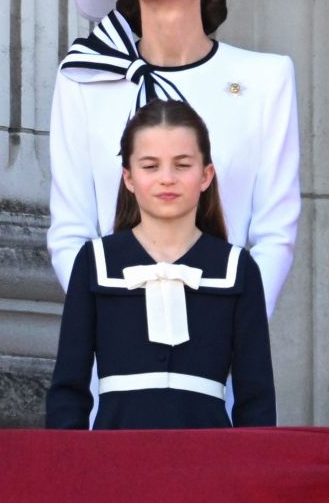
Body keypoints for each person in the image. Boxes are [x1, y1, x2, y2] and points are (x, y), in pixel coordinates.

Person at [48, 0, 299, 318]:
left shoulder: (266, 79)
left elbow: (274, 232)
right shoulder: (84, 80)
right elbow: (70, 232)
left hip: (224, 348)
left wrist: (230, 331)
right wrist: (113, 327)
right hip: (115, 352)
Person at [46, 100, 275, 429]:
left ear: (206, 175)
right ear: (128, 177)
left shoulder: (238, 268)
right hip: (113, 460)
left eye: (182, 165)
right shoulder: (94, 262)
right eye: (150, 166)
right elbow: (68, 391)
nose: (167, 179)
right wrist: (70, 471)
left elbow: (257, 401)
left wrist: (249, 476)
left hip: (209, 465)